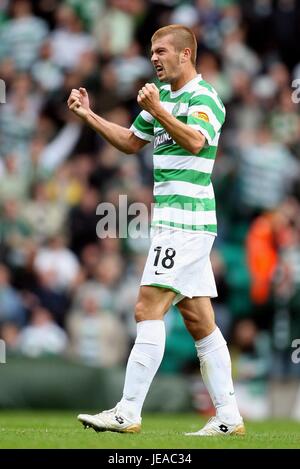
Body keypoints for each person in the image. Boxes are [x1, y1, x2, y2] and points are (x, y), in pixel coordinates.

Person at [67, 24, 245, 437]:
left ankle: (128, 411)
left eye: (161, 51)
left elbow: (196, 143)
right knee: (200, 321)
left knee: (147, 308)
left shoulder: (206, 98)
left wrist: (160, 109)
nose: (154, 58)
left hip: (187, 221)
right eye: (151, 52)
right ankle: (229, 417)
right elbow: (131, 141)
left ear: (185, 55)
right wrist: (88, 115)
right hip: (174, 222)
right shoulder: (159, 97)